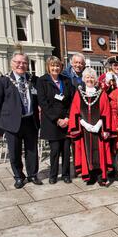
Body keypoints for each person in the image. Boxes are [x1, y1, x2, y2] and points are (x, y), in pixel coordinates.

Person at [0, 52, 42, 188]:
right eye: (18, 62)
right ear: (12, 63)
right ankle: (19, 176)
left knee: (32, 150)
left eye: (24, 62)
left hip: (30, 121)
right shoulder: (4, 81)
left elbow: (38, 98)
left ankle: (33, 174)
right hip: (12, 123)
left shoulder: (34, 80)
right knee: (14, 152)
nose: (21, 65)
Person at [68, 68, 114, 186]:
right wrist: (85, 124)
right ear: (84, 79)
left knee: (100, 153)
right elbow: (75, 111)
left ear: (95, 79)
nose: (89, 79)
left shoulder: (101, 93)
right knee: (86, 152)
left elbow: (106, 111)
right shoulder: (79, 93)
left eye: (92, 77)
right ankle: (90, 176)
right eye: (87, 77)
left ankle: (100, 176)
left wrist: (99, 125)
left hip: (98, 129)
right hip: (85, 130)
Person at [37, 56, 75, 184]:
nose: (55, 68)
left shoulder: (67, 80)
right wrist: (57, 119)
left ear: (61, 67)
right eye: (53, 65)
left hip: (66, 120)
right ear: (48, 67)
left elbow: (72, 100)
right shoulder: (42, 81)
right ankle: (53, 175)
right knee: (54, 150)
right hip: (52, 122)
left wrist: (68, 118)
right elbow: (43, 103)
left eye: (58, 65)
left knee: (66, 150)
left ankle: (65, 174)